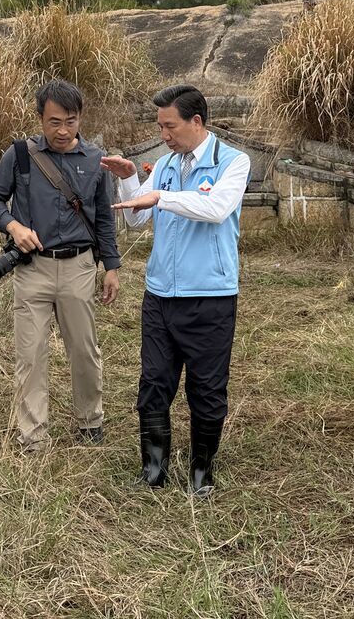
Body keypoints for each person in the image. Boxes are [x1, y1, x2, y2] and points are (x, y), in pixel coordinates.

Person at [101, 84, 251, 496]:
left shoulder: (233, 162)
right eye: (160, 126)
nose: (163, 135)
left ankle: (202, 473)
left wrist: (159, 196)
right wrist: (130, 181)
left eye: (170, 126)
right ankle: (153, 470)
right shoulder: (165, 164)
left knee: (206, 388)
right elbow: (136, 221)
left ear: (196, 122)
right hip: (160, 296)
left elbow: (216, 209)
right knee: (153, 384)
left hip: (210, 296)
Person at [0, 79, 121, 450]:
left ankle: (90, 422)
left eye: (71, 121)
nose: (63, 131)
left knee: (85, 350)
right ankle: (33, 436)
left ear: (80, 119)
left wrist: (111, 266)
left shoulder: (96, 159)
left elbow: (104, 217)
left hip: (78, 267)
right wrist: (13, 226)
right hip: (32, 268)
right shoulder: (19, 155)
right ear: (39, 118)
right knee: (30, 354)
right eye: (54, 121)